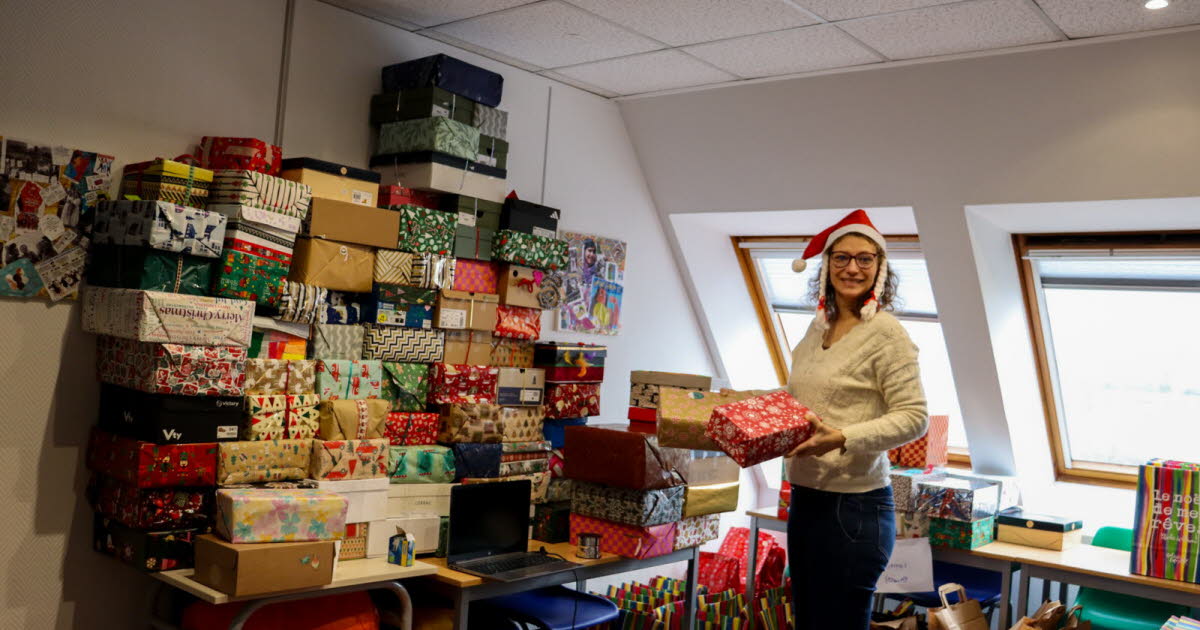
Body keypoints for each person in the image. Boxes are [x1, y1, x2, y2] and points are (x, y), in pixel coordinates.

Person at [777, 210, 928, 629]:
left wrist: (842, 437)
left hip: (855, 508)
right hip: (806, 497)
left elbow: (915, 418)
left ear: (880, 268)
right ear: (826, 266)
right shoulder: (816, 328)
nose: (852, 268)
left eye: (865, 258)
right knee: (809, 621)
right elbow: (801, 400)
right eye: (842, 257)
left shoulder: (886, 333)